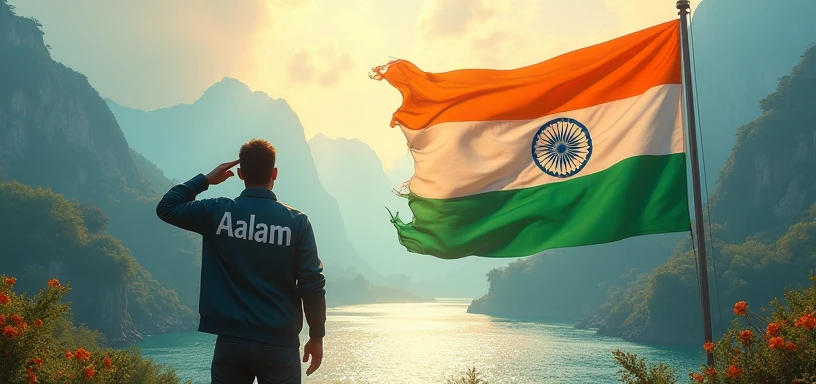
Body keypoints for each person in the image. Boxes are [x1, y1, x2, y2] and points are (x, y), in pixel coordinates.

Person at [156, 139, 326, 384]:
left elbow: (167, 207)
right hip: (280, 344)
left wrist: (205, 179)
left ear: (240, 174)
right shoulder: (297, 222)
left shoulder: (218, 212)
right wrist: (316, 335)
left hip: (231, 342)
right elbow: (312, 283)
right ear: (274, 173)